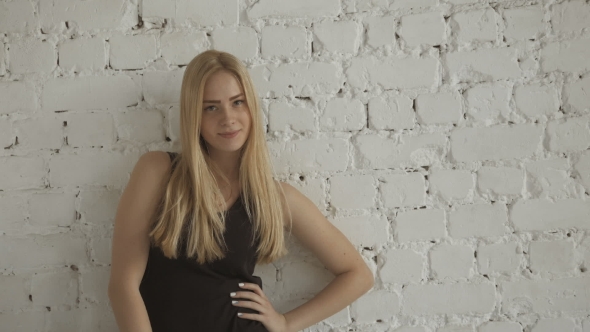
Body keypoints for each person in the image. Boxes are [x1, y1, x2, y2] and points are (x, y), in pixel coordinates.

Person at [107, 50, 374, 332]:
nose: (228, 118)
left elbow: (358, 275)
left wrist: (285, 323)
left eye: (238, 102)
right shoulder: (159, 172)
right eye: (211, 107)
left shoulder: (273, 198)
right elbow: (122, 285)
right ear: (193, 115)